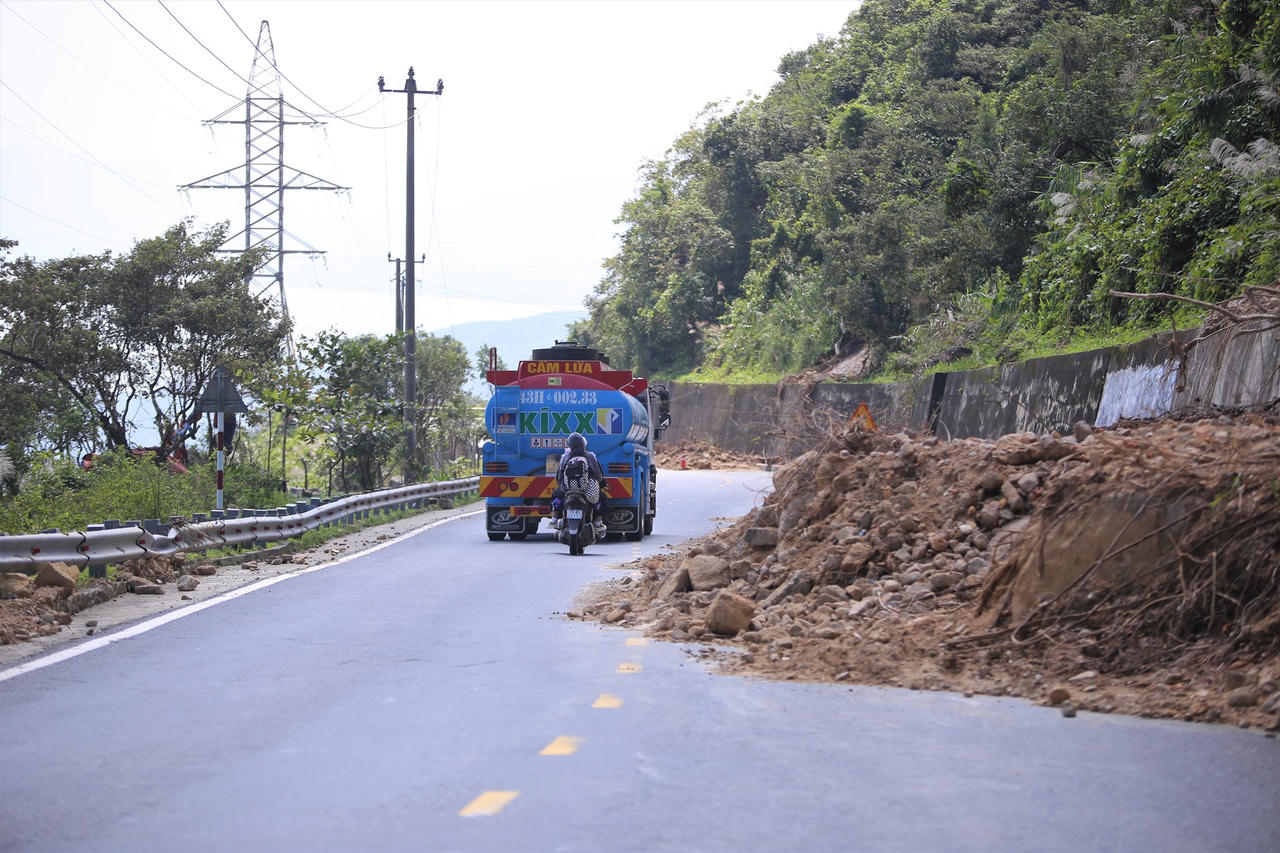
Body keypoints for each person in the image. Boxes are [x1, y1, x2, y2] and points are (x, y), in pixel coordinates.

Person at [550, 431, 607, 537]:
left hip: (567, 490)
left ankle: (554, 519)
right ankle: (598, 522)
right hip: (586, 491)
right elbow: (598, 476)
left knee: (554, 495)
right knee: (602, 498)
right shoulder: (590, 456)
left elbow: (558, 477)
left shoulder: (565, 457)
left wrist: (564, 485)